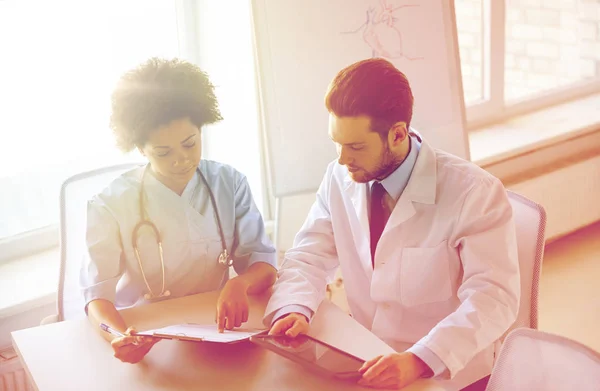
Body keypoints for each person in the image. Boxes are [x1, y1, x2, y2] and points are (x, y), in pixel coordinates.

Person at [264, 58, 520, 390]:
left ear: (397, 134)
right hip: (365, 359)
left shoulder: (474, 193)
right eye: (337, 143)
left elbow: (493, 298)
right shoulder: (339, 177)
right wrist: (294, 308)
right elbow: (308, 256)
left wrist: (420, 359)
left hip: (446, 371)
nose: (342, 159)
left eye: (355, 146)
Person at [80, 58, 277, 364]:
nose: (181, 160)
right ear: (141, 149)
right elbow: (97, 299)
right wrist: (118, 335)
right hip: (147, 335)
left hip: (216, 330)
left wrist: (240, 283)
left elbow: (263, 263)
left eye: (190, 143)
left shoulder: (229, 183)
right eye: (163, 152)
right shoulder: (111, 204)